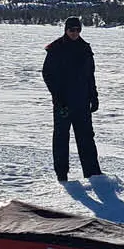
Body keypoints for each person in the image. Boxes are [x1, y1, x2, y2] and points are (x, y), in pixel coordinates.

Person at [42, 16, 103, 181]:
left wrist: (94, 96)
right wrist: (58, 98)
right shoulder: (56, 49)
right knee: (61, 138)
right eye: (72, 30)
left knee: (86, 138)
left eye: (78, 30)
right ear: (66, 30)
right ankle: (61, 174)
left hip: (82, 102)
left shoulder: (85, 48)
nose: (75, 33)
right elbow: (47, 75)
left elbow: (90, 75)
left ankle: (93, 174)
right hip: (63, 103)